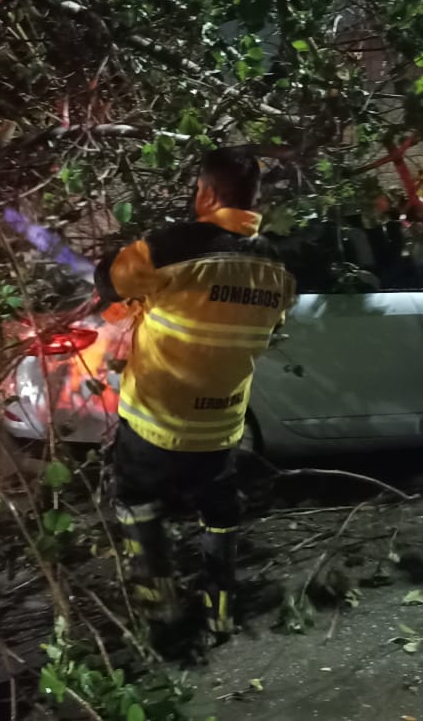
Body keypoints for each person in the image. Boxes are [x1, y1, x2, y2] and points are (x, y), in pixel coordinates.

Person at [94, 147, 296, 639]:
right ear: (253, 198)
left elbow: (109, 280)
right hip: (221, 428)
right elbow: (267, 331)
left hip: (155, 422)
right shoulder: (280, 270)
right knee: (219, 511)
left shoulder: (172, 247)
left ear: (206, 192)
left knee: (137, 501)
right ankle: (220, 613)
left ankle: (161, 610)